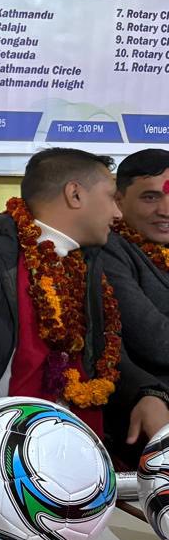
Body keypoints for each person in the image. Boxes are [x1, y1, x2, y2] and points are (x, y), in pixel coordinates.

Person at [0, 148, 169, 444]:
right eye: (110, 197)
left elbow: (108, 359)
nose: (118, 213)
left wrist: (148, 393)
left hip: (76, 446)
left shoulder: (87, 268)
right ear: (75, 194)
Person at [103, 148, 169, 388]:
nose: (165, 210)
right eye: (150, 197)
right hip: (151, 400)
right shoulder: (108, 246)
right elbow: (156, 342)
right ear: (118, 200)